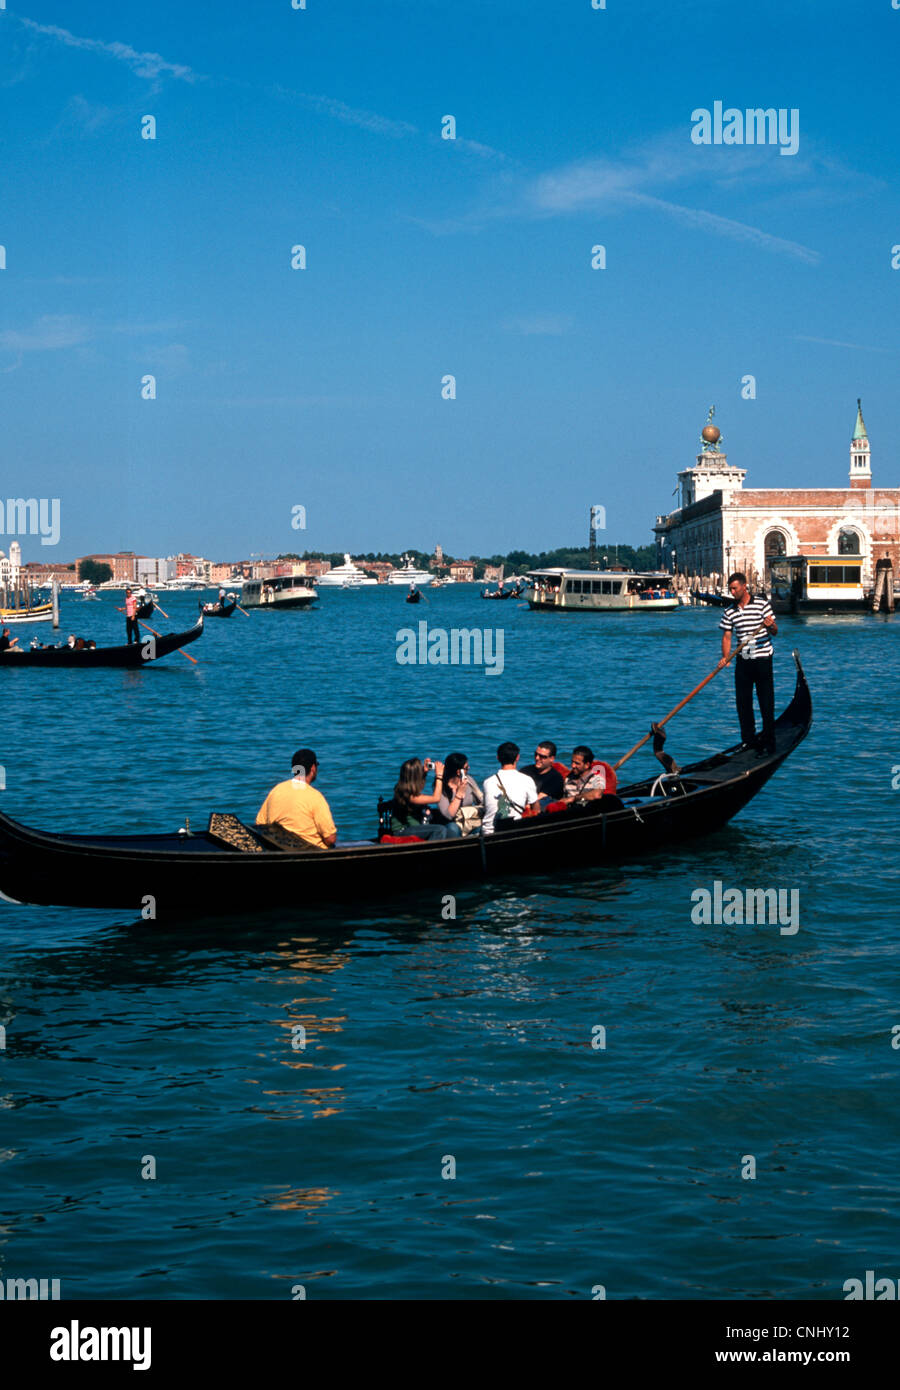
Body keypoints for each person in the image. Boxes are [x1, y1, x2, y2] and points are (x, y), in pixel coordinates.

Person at [716, 571, 778, 755]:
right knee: (743, 703)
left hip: (762, 659)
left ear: (744, 587)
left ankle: (769, 739)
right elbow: (727, 636)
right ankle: (748, 740)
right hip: (743, 660)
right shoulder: (729, 611)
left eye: (734, 588)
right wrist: (726, 657)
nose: (732, 592)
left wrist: (770, 625)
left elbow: (775, 631)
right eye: (730, 589)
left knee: (766, 701)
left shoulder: (761, 605)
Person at [256, 748, 337, 849]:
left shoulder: (276, 790)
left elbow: (260, 824)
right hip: (310, 852)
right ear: (313, 768)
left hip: (279, 849)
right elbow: (330, 839)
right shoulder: (315, 797)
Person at [389, 758, 461, 840]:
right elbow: (436, 798)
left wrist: (425, 772)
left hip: (416, 826)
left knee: (449, 829)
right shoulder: (409, 796)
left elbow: (416, 783)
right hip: (402, 831)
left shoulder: (405, 788)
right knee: (439, 830)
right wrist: (439, 776)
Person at [483, 742, 540, 834]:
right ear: (517, 757)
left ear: (498, 758)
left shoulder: (487, 782)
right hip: (514, 830)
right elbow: (536, 810)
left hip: (488, 832)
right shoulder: (527, 780)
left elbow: (487, 808)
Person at [437, 752, 484, 826]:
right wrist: (459, 794)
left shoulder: (468, 780)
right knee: (452, 827)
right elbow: (448, 815)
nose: (469, 768)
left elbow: (481, 800)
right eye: (466, 767)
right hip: (452, 823)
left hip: (469, 821)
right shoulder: (441, 786)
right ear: (459, 772)